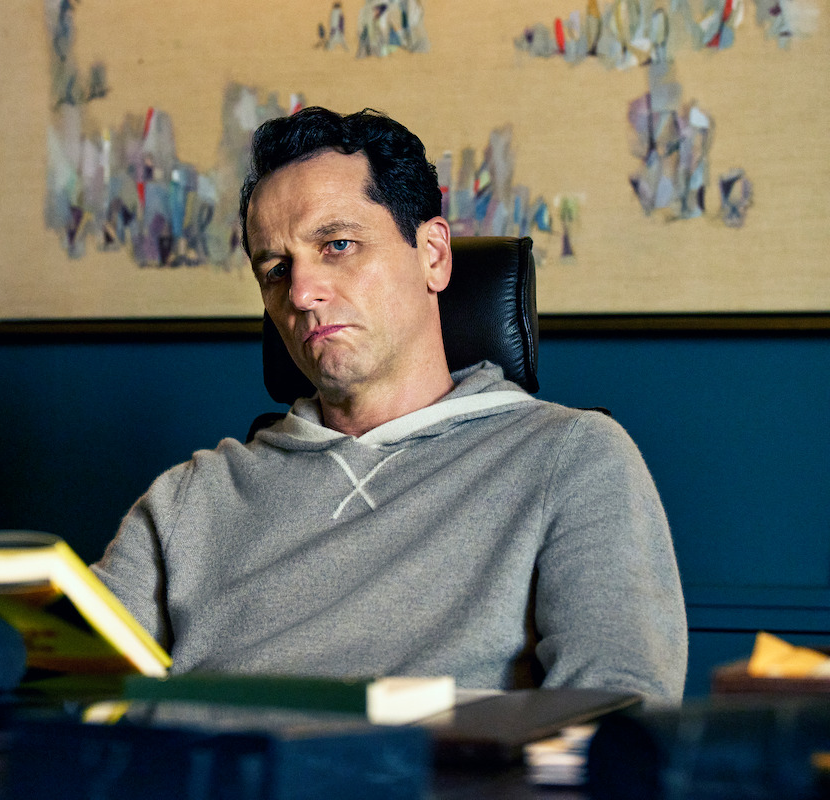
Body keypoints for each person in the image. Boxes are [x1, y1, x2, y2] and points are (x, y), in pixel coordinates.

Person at [93, 107, 687, 703]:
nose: (301, 292)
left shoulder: (572, 457)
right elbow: (61, 692)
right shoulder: (187, 500)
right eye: (275, 270)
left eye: (338, 245)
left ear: (432, 255)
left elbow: (618, 714)